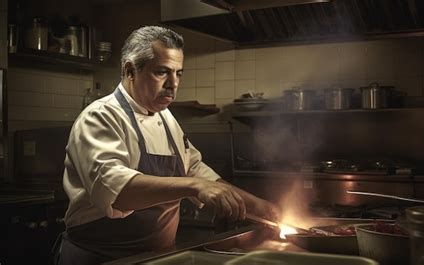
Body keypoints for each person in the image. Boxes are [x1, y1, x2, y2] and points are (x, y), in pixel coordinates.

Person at [57, 25, 280, 264]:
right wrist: (193, 186)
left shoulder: (167, 119)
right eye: (162, 72)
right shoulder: (100, 117)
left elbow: (195, 170)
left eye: (178, 73)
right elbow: (119, 193)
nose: (173, 84)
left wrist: (261, 208)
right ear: (130, 70)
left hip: (156, 258)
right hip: (101, 258)